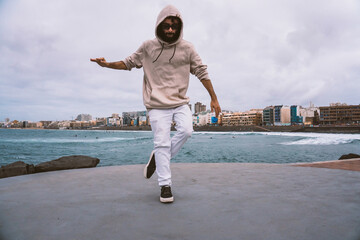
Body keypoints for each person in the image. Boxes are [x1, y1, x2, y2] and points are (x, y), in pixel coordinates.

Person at [91, 5, 221, 203]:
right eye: (167, 26)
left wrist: (214, 97)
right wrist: (106, 64)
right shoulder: (147, 47)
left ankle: (158, 156)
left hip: (180, 102)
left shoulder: (188, 48)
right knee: (161, 142)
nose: (170, 30)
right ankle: (165, 186)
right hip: (156, 104)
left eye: (174, 27)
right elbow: (128, 63)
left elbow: (202, 71)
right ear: (160, 25)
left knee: (186, 131)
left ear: (179, 28)